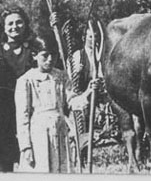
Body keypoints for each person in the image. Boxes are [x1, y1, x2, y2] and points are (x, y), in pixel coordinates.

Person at [14, 34, 100, 173]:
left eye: (53, 55)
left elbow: (72, 100)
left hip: (60, 131)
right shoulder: (26, 80)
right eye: (45, 56)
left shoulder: (61, 77)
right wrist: (26, 147)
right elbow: (22, 117)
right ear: (34, 55)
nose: (50, 60)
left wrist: (89, 91)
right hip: (39, 134)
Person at [0, 7, 36, 172]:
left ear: (25, 24)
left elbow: (53, 50)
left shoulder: (33, 49)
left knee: (31, 149)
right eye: (10, 23)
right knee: (5, 155)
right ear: (4, 27)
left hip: (28, 103)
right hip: (3, 105)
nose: (15, 26)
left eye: (19, 22)